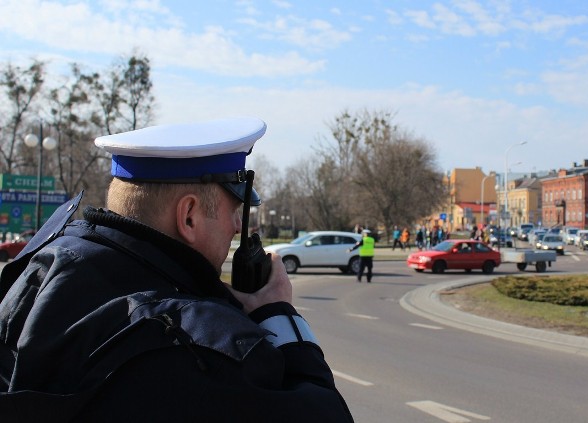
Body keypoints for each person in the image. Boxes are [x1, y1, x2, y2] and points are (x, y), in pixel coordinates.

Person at [0, 118, 353, 422]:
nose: (236, 227)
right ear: (188, 216)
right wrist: (279, 315)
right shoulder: (208, 348)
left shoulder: (39, 271)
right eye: (235, 211)